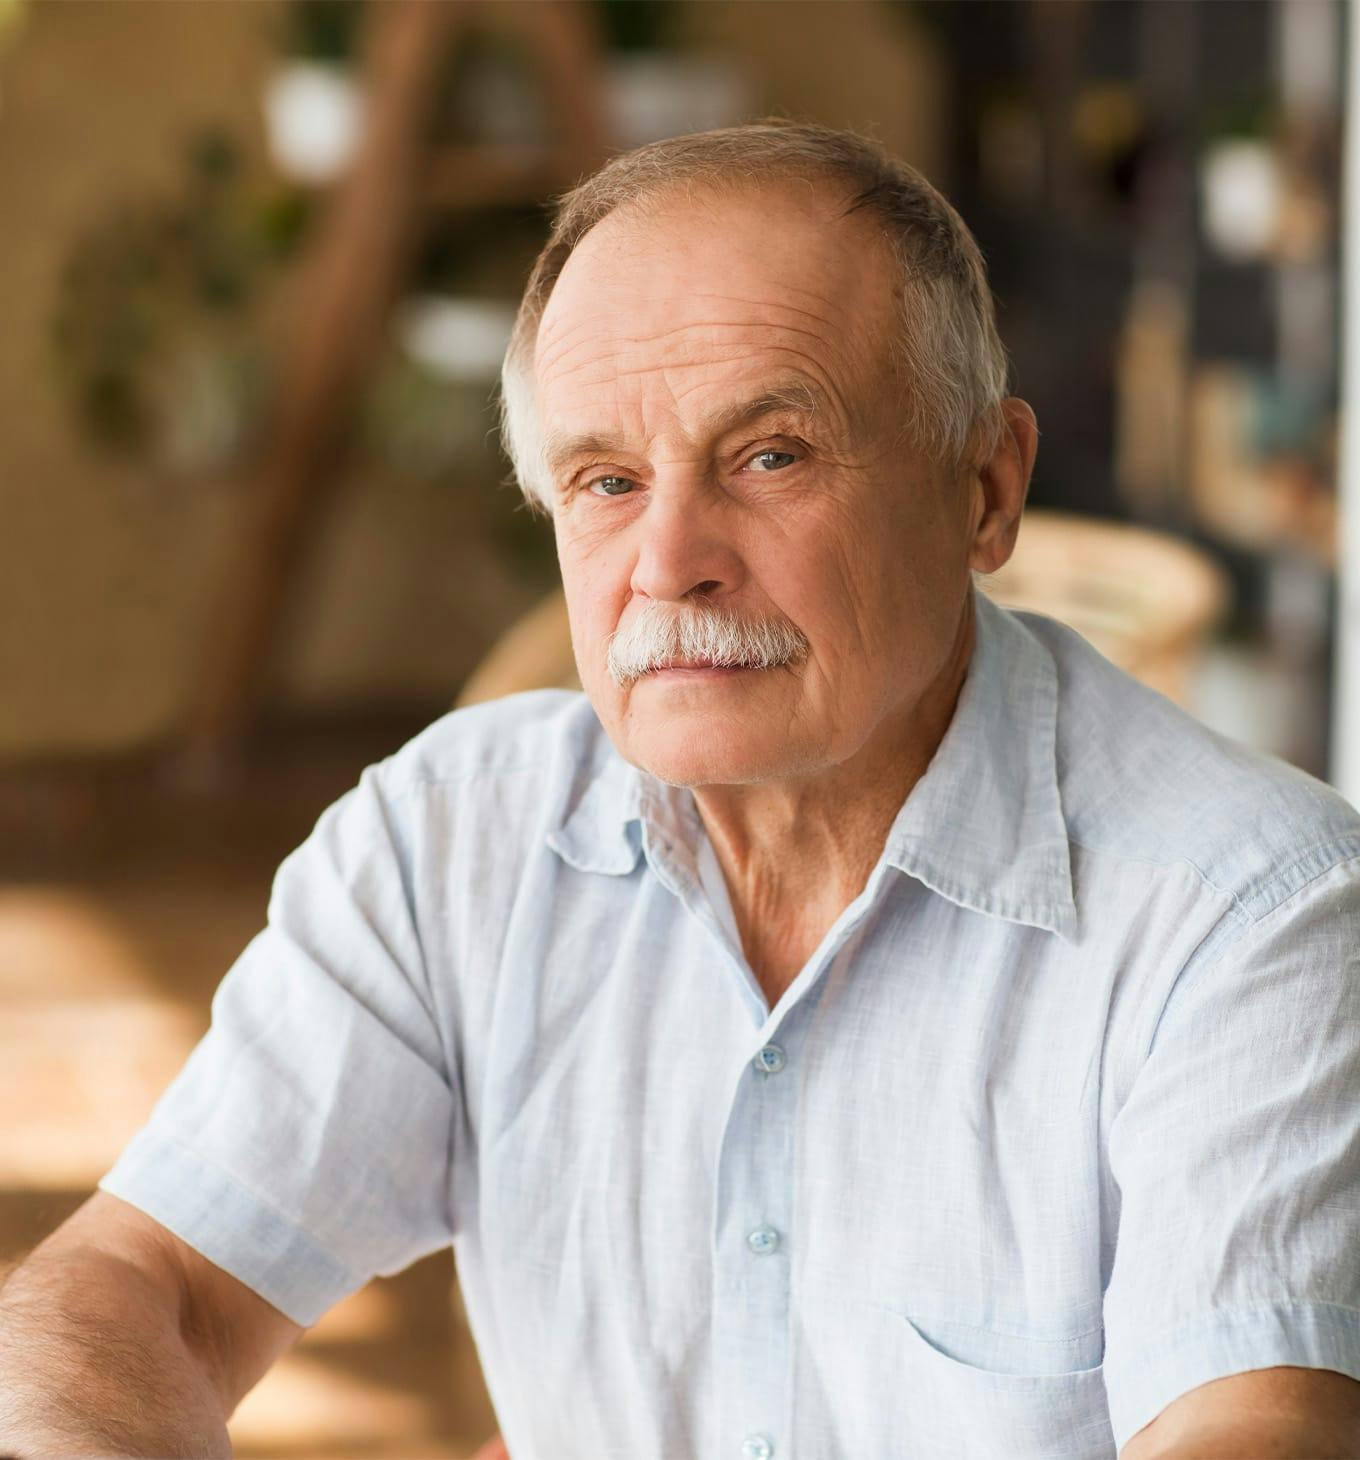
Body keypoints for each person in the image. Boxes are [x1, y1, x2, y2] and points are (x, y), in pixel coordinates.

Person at [2, 117, 1359, 1460]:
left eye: (769, 456)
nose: (670, 561)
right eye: (605, 480)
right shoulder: (448, 842)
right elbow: (141, 1296)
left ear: (985, 488)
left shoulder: (1252, 912)